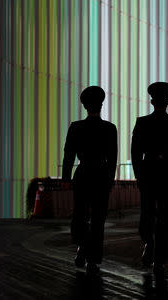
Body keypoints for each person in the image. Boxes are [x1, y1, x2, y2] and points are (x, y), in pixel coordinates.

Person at [131, 82, 168, 275]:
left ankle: (148, 243)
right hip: (167, 173)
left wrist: (138, 175)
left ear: (152, 101)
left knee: (147, 213)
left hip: (148, 172)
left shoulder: (142, 122)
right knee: (165, 217)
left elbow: (135, 152)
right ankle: (160, 259)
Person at [62, 86, 118, 274]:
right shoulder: (110, 128)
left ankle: (81, 247)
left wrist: (65, 178)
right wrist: (110, 179)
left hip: (83, 173)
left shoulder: (76, 127)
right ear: (101, 105)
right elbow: (112, 158)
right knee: (98, 218)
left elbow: (68, 154)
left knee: (80, 214)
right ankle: (94, 257)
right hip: (101, 175)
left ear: (85, 106)